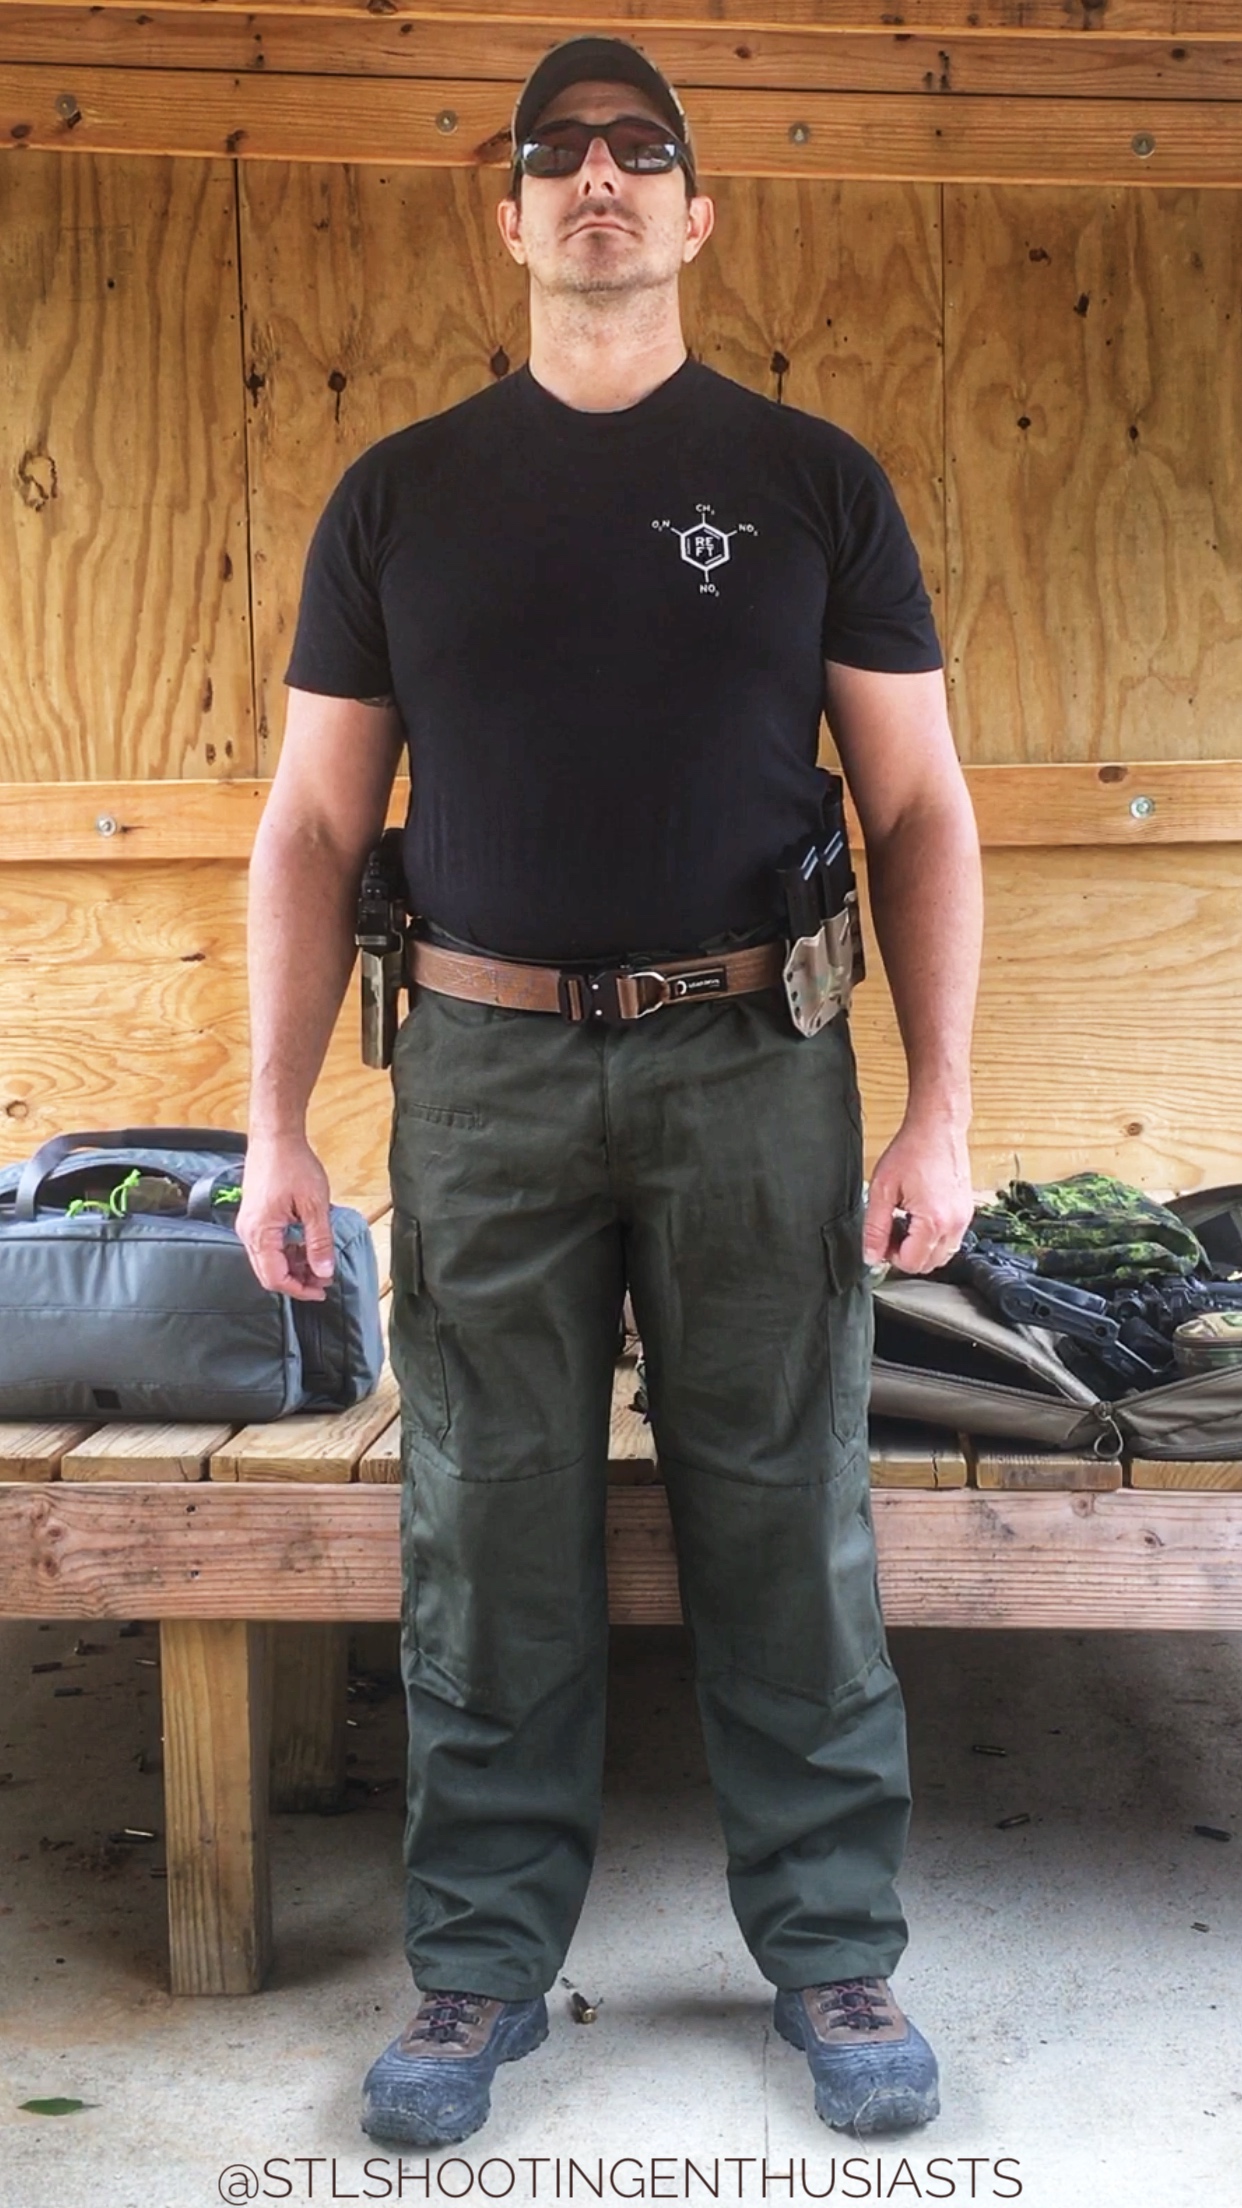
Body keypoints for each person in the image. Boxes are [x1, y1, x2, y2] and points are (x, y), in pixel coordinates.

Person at [238, 34, 982, 2151]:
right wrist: (277, 1123)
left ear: (694, 211)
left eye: (637, 150)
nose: (595, 178)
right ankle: (477, 1966)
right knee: (486, 1517)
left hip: (756, 1062)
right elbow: (312, 825)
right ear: (506, 215)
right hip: (479, 1072)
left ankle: (832, 1951)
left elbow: (918, 806)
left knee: (785, 1508)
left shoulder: (810, 481)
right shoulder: (400, 495)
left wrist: (937, 1106)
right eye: (552, 153)